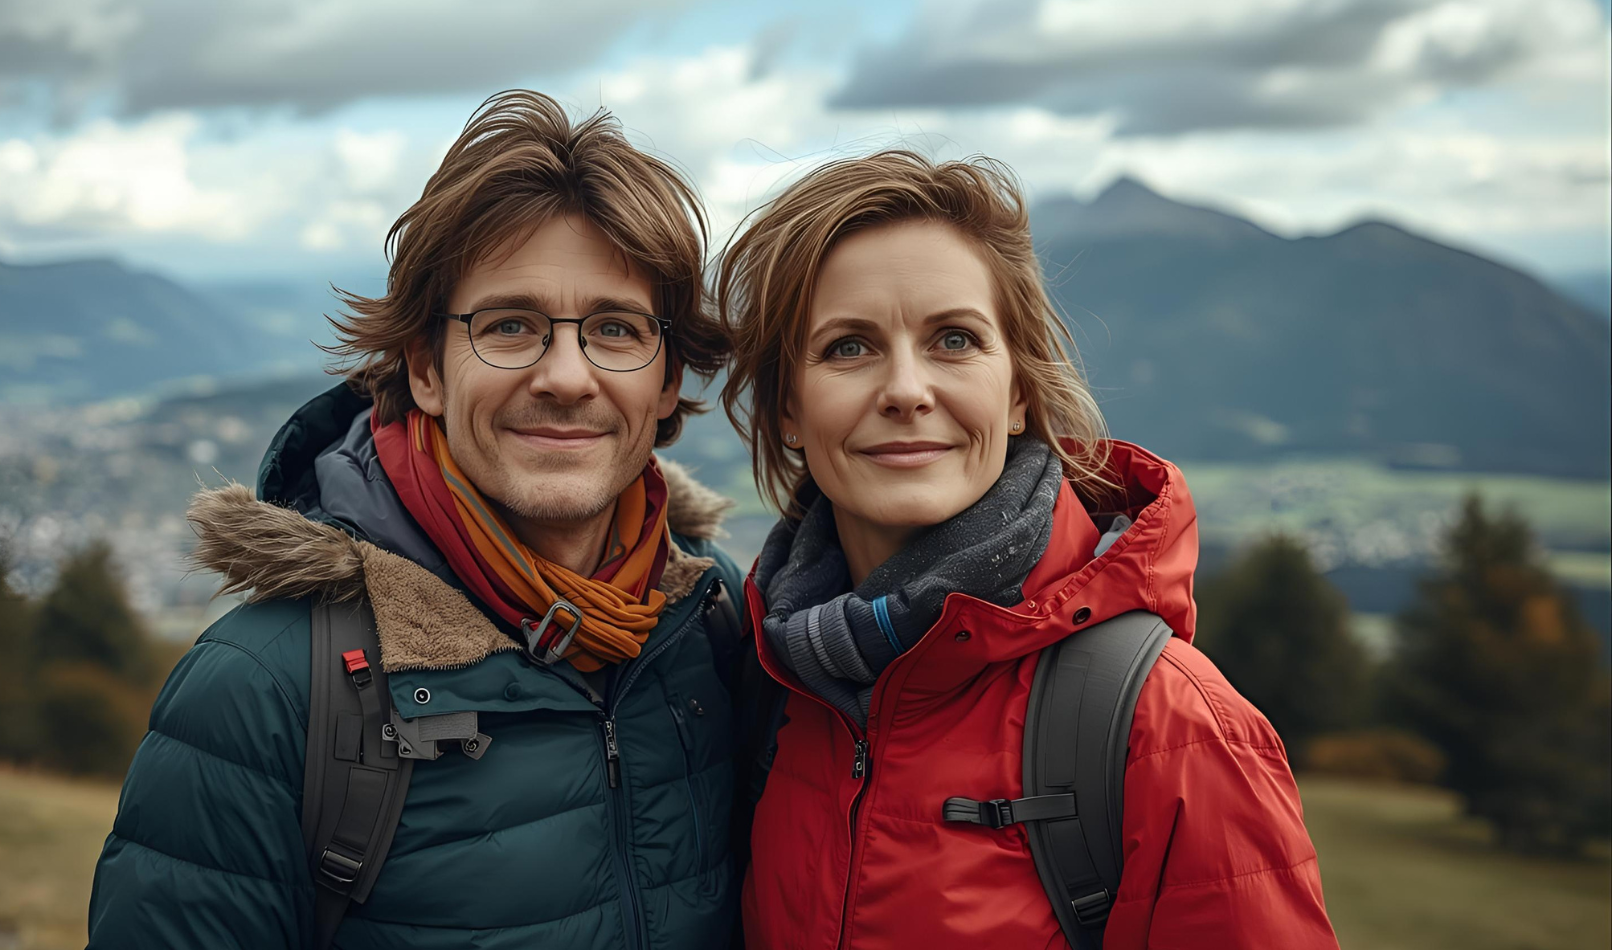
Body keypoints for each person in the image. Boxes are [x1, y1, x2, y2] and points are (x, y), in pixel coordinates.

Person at [87, 90, 746, 950]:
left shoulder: (715, 619)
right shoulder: (263, 692)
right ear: (426, 370)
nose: (566, 377)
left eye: (615, 330)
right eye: (510, 326)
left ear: (666, 382)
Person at [718, 151, 1340, 949]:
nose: (906, 390)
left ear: (1016, 390)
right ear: (786, 411)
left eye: (953, 339)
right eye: (847, 347)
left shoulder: (1173, 729)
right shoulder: (768, 676)